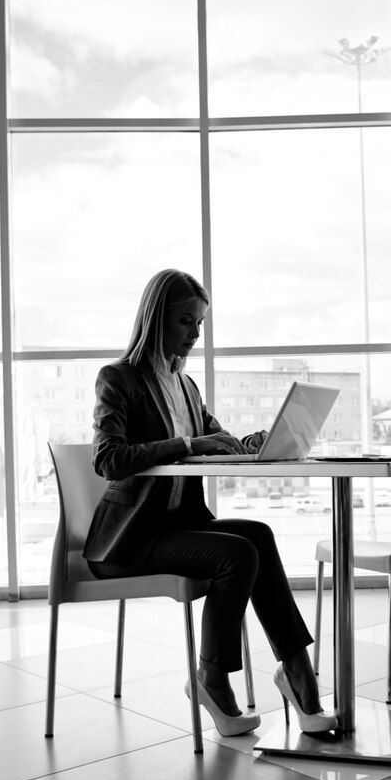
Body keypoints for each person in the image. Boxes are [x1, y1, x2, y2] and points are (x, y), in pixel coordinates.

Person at [86, 269, 338, 735]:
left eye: (199, 323)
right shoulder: (118, 379)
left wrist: (255, 444)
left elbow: (213, 440)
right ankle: (212, 676)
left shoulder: (186, 386)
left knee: (257, 534)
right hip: (130, 541)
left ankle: (295, 670)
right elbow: (108, 458)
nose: (194, 334)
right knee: (237, 553)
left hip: (178, 526)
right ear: (156, 317)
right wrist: (185, 444)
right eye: (185, 321)